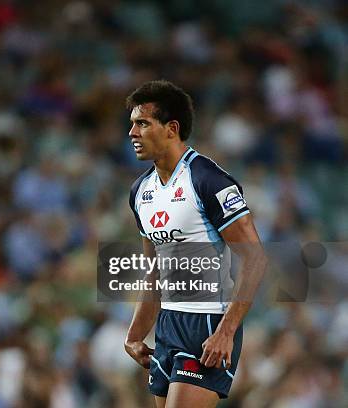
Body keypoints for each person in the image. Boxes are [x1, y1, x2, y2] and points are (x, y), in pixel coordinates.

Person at [123, 80, 267, 407]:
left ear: (171, 128)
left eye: (142, 123)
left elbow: (255, 259)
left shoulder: (207, 180)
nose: (132, 132)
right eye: (132, 124)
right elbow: (154, 271)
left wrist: (226, 331)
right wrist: (134, 335)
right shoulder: (140, 192)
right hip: (168, 323)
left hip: (208, 322)